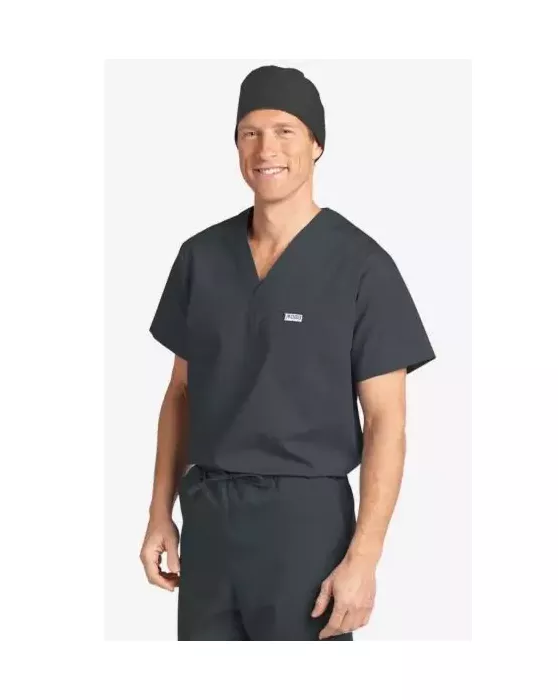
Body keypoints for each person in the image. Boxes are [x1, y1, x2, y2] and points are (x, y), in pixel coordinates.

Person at [139, 64, 436, 640]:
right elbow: (180, 393)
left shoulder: (362, 267)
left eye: (284, 131)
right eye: (249, 133)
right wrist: (159, 515)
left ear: (316, 144)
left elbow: (386, 422)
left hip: (305, 527)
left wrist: (364, 558)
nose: (265, 149)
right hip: (209, 518)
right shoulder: (201, 257)